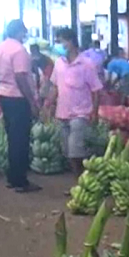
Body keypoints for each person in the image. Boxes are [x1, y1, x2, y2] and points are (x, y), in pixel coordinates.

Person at [46, 28, 103, 182]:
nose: (59, 45)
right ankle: (80, 180)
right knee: (67, 151)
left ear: (71, 42)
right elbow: (55, 86)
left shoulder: (86, 64)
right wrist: (48, 104)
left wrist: (95, 113)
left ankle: (80, 183)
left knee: (75, 151)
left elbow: (96, 90)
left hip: (81, 114)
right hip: (62, 113)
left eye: (62, 41)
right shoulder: (59, 63)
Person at [0, 20, 41, 192]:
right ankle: (20, 181)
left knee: (12, 138)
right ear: (19, 32)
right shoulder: (19, 50)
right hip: (18, 98)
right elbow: (21, 77)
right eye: (24, 32)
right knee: (21, 140)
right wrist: (31, 101)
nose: (25, 35)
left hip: (4, 95)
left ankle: (12, 177)